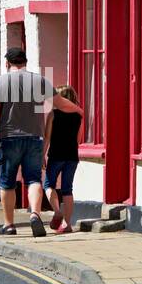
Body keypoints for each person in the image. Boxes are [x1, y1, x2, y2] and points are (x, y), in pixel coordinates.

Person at [0, 47, 82, 237]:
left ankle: (9, 225)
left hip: (9, 138)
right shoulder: (39, 81)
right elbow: (61, 103)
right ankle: (35, 214)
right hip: (35, 139)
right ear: (25, 62)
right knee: (34, 179)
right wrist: (78, 110)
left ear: (7, 63)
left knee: (7, 182)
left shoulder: (0, 82)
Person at [43, 85, 83, 234]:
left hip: (56, 155)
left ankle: (57, 211)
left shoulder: (53, 115)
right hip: (72, 156)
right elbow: (78, 139)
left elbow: (47, 137)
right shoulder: (78, 115)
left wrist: (42, 155)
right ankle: (67, 224)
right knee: (67, 189)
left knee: (48, 184)